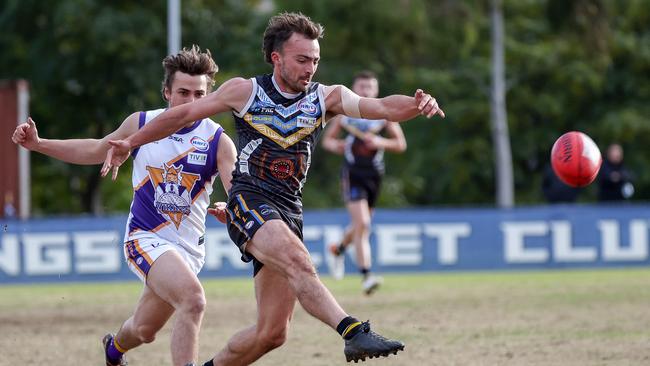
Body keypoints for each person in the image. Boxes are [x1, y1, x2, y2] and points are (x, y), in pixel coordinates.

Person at [101, 12, 444, 364]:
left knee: (271, 334)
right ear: (277, 57)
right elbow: (181, 116)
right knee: (299, 261)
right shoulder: (244, 91)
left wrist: (417, 105)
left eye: (315, 60)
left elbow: (383, 107)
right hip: (250, 199)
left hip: (288, 209)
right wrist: (131, 142)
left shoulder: (327, 98)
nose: (310, 68)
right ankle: (352, 331)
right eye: (302, 59)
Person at [11, 45, 237, 366]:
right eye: (183, 92)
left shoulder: (218, 140)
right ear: (166, 93)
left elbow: (237, 190)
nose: (191, 102)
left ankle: (114, 349)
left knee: (144, 330)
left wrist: (232, 209)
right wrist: (38, 143)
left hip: (189, 251)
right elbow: (94, 149)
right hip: (145, 238)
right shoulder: (142, 123)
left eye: (200, 94)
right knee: (194, 300)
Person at [321, 71, 407, 294]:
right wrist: (337, 146)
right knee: (364, 225)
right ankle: (367, 275)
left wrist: (380, 141)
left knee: (362, 224)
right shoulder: (344, 115)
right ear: (354, 88)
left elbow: (400, 144)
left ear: (376, 91)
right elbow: (328, 141)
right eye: (362, 87)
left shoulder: (383, 116)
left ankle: (338, 249)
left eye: (370, 87)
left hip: (374, 175)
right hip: (352, 173)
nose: (366, 91)